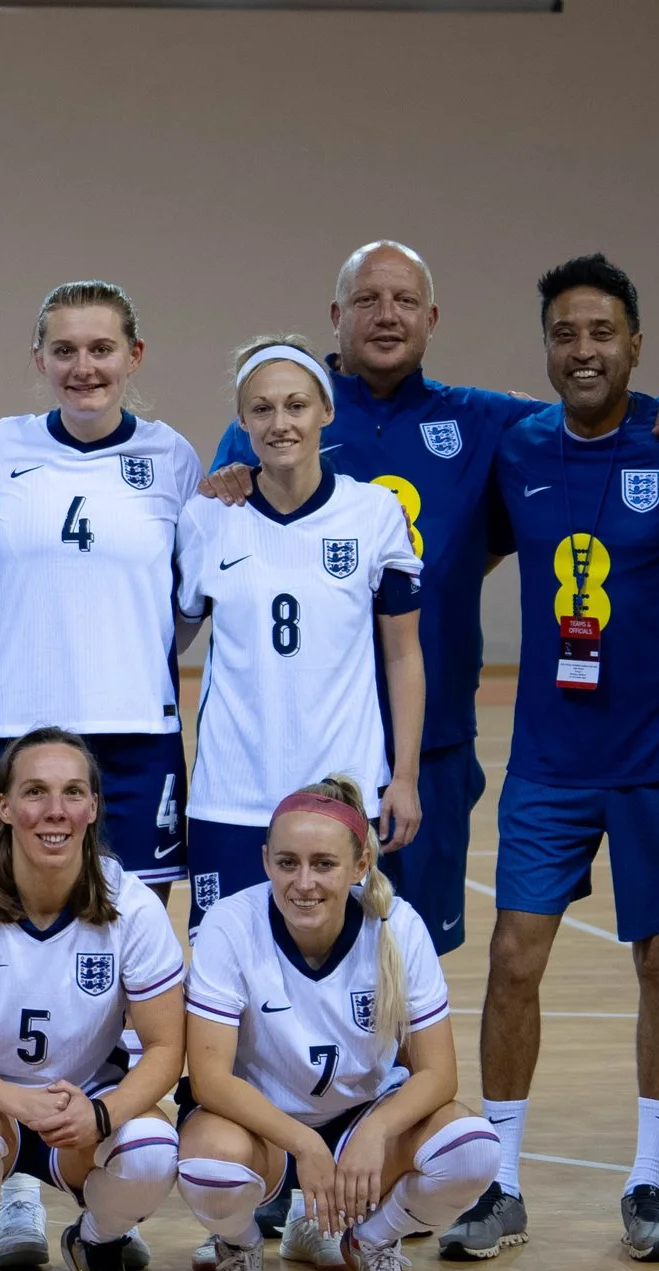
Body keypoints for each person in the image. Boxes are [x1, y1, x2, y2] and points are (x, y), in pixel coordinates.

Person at [207, 240, 659, 957]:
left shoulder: (490, 424)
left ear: (432, 318)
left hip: (433, 744)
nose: (387, 317)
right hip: (303, 742)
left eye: (405, 302)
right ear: (335, 316)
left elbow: (595, 403)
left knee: (408, 959)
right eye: (367, 301)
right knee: (283, 952)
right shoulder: (280, 416)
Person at [453, 256, 659, 1264]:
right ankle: (500, 1180)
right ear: (546, 345)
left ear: (635, 344)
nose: (583, 350)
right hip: (549, 757)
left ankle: (649, 1180)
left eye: (602, 332)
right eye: (565, 333)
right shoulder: (517, 446)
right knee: (512, 957)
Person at [0, 279, 200, 1271]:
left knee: (124, 952)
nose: (83, 365)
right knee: (13, 943)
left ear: (135, 355)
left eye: (102, 348)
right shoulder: (0, 449)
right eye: (63, 348)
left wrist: (128, 645)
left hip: (134, 735)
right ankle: (18, 1176)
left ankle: (108, 1182)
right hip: (17, 726)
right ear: (38, 357)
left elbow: (192, 587)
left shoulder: (177, 460)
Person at [175, 780, 492, 1271]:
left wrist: (375, 1132)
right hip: (262, 1128)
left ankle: (372, 1241)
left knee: (472, 1148)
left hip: (359, 1121)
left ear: (360, 863)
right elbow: (209, 1079)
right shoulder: (231, 923)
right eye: (287, 863)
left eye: (323, 864)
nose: (303, 883)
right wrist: (303, 1143)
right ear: (264, 861)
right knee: (210, 1164)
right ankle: (239, 1246)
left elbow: (439, 1074)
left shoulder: (398, 926)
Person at [0, 732, 186, 1271]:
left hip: (83, 1107)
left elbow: (166, 1048)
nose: (54, 811)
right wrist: (9, 1098)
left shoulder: (132, 906)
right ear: (4, 808)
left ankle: (98, 1242)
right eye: (35, 792)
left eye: (72, 793)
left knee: (152, 1152)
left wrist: (103, 1114)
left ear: (92, 808)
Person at [176, 339, 425, 933]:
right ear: (242, 421)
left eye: (296, 406)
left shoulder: (373, 514)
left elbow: (404, 654)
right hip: (230, 793)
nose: (279, 423)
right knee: (222, 974)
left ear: (326, 411)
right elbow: (173, 634)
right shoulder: (208, 517)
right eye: (261, 409)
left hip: (343, 787)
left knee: (349, 970)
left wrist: (405, 777)